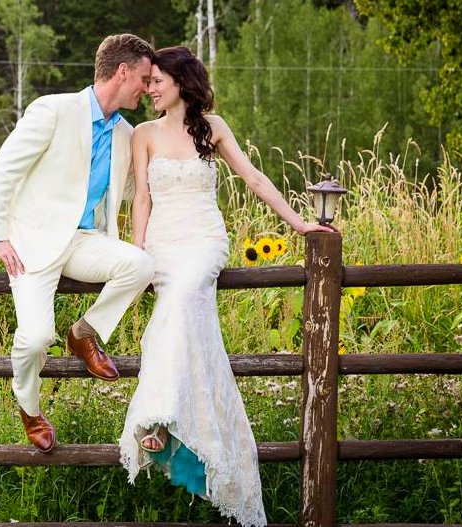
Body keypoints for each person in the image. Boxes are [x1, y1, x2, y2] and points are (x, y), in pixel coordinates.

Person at [118, 46, 334, 527]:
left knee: (187, 293)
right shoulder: (143, 135)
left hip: (204, 241)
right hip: (162, 244)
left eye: (157, 81)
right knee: (175, 304)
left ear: (180, 82)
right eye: (148, 81)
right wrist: (137, 255)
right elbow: (142, 200)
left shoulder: (213, 128)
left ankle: (157, 419)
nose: (149, 88)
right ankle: (172, 429)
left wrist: (300, 223)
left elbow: (254, 178)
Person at [0, 34, 156, 454]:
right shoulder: (53, 110)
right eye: (144, 79)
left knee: (140, 265)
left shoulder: (126, 133)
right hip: (31, 245)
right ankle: (30, 409)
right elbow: (4, 168)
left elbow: (138, 191)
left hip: (84, 241)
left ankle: (84, 333)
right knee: (37, 337)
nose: (148, 89)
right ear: (123, 71)